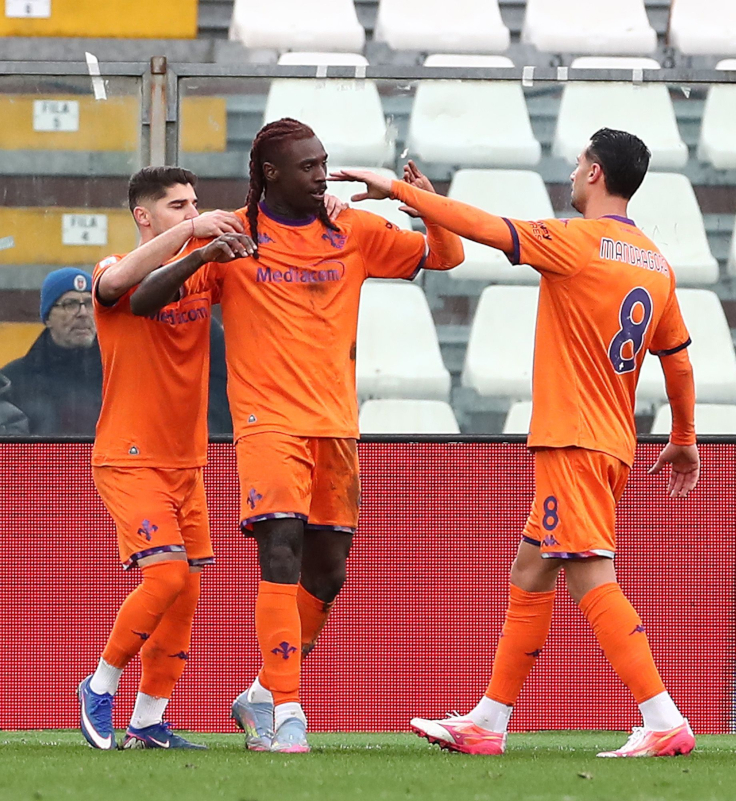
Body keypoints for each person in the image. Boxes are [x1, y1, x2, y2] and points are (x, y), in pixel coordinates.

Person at [336, 127, 702, 759]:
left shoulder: (575, 242)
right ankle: (489, 721)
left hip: (573, 439)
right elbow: (679, 359)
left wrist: (399, 191)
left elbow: (483, 227)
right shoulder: (655, 262)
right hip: (611, 440)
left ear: (594, 174)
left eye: (580, 160)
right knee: (531, 570)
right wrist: (685, 435)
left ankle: (662, 716)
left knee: (590, 576)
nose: (571, 168)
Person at [134, 118, 464, 754]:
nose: (322, 175)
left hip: (335, 425)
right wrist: (199, 251)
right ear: (269, 174)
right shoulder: (233, 234)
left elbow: (444, 256)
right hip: (266, 423)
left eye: (323, 163)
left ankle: (259, 692)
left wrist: (421, 201)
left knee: (328, 572)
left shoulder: (354, 230)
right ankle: (288, 715)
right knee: (278, 551)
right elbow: (146, 300)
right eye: (308, 166)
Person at [77, 165, 253, 750]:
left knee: (188, 590)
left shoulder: (199, 275)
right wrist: (195, 235)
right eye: (178, 206)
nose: (190, 212)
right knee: (167, 574)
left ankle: (148, 720)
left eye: (194, 203)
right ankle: (99, 687)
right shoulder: (110, 271)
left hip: (187, 460)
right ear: (144, 217)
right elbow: (123, 285)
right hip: (129, 456)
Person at [1, 267, 103, 434]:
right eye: (70, 304)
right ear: (47, 317)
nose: (83, 313)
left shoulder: (117, 378)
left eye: (90, 304)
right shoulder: (13, 381)